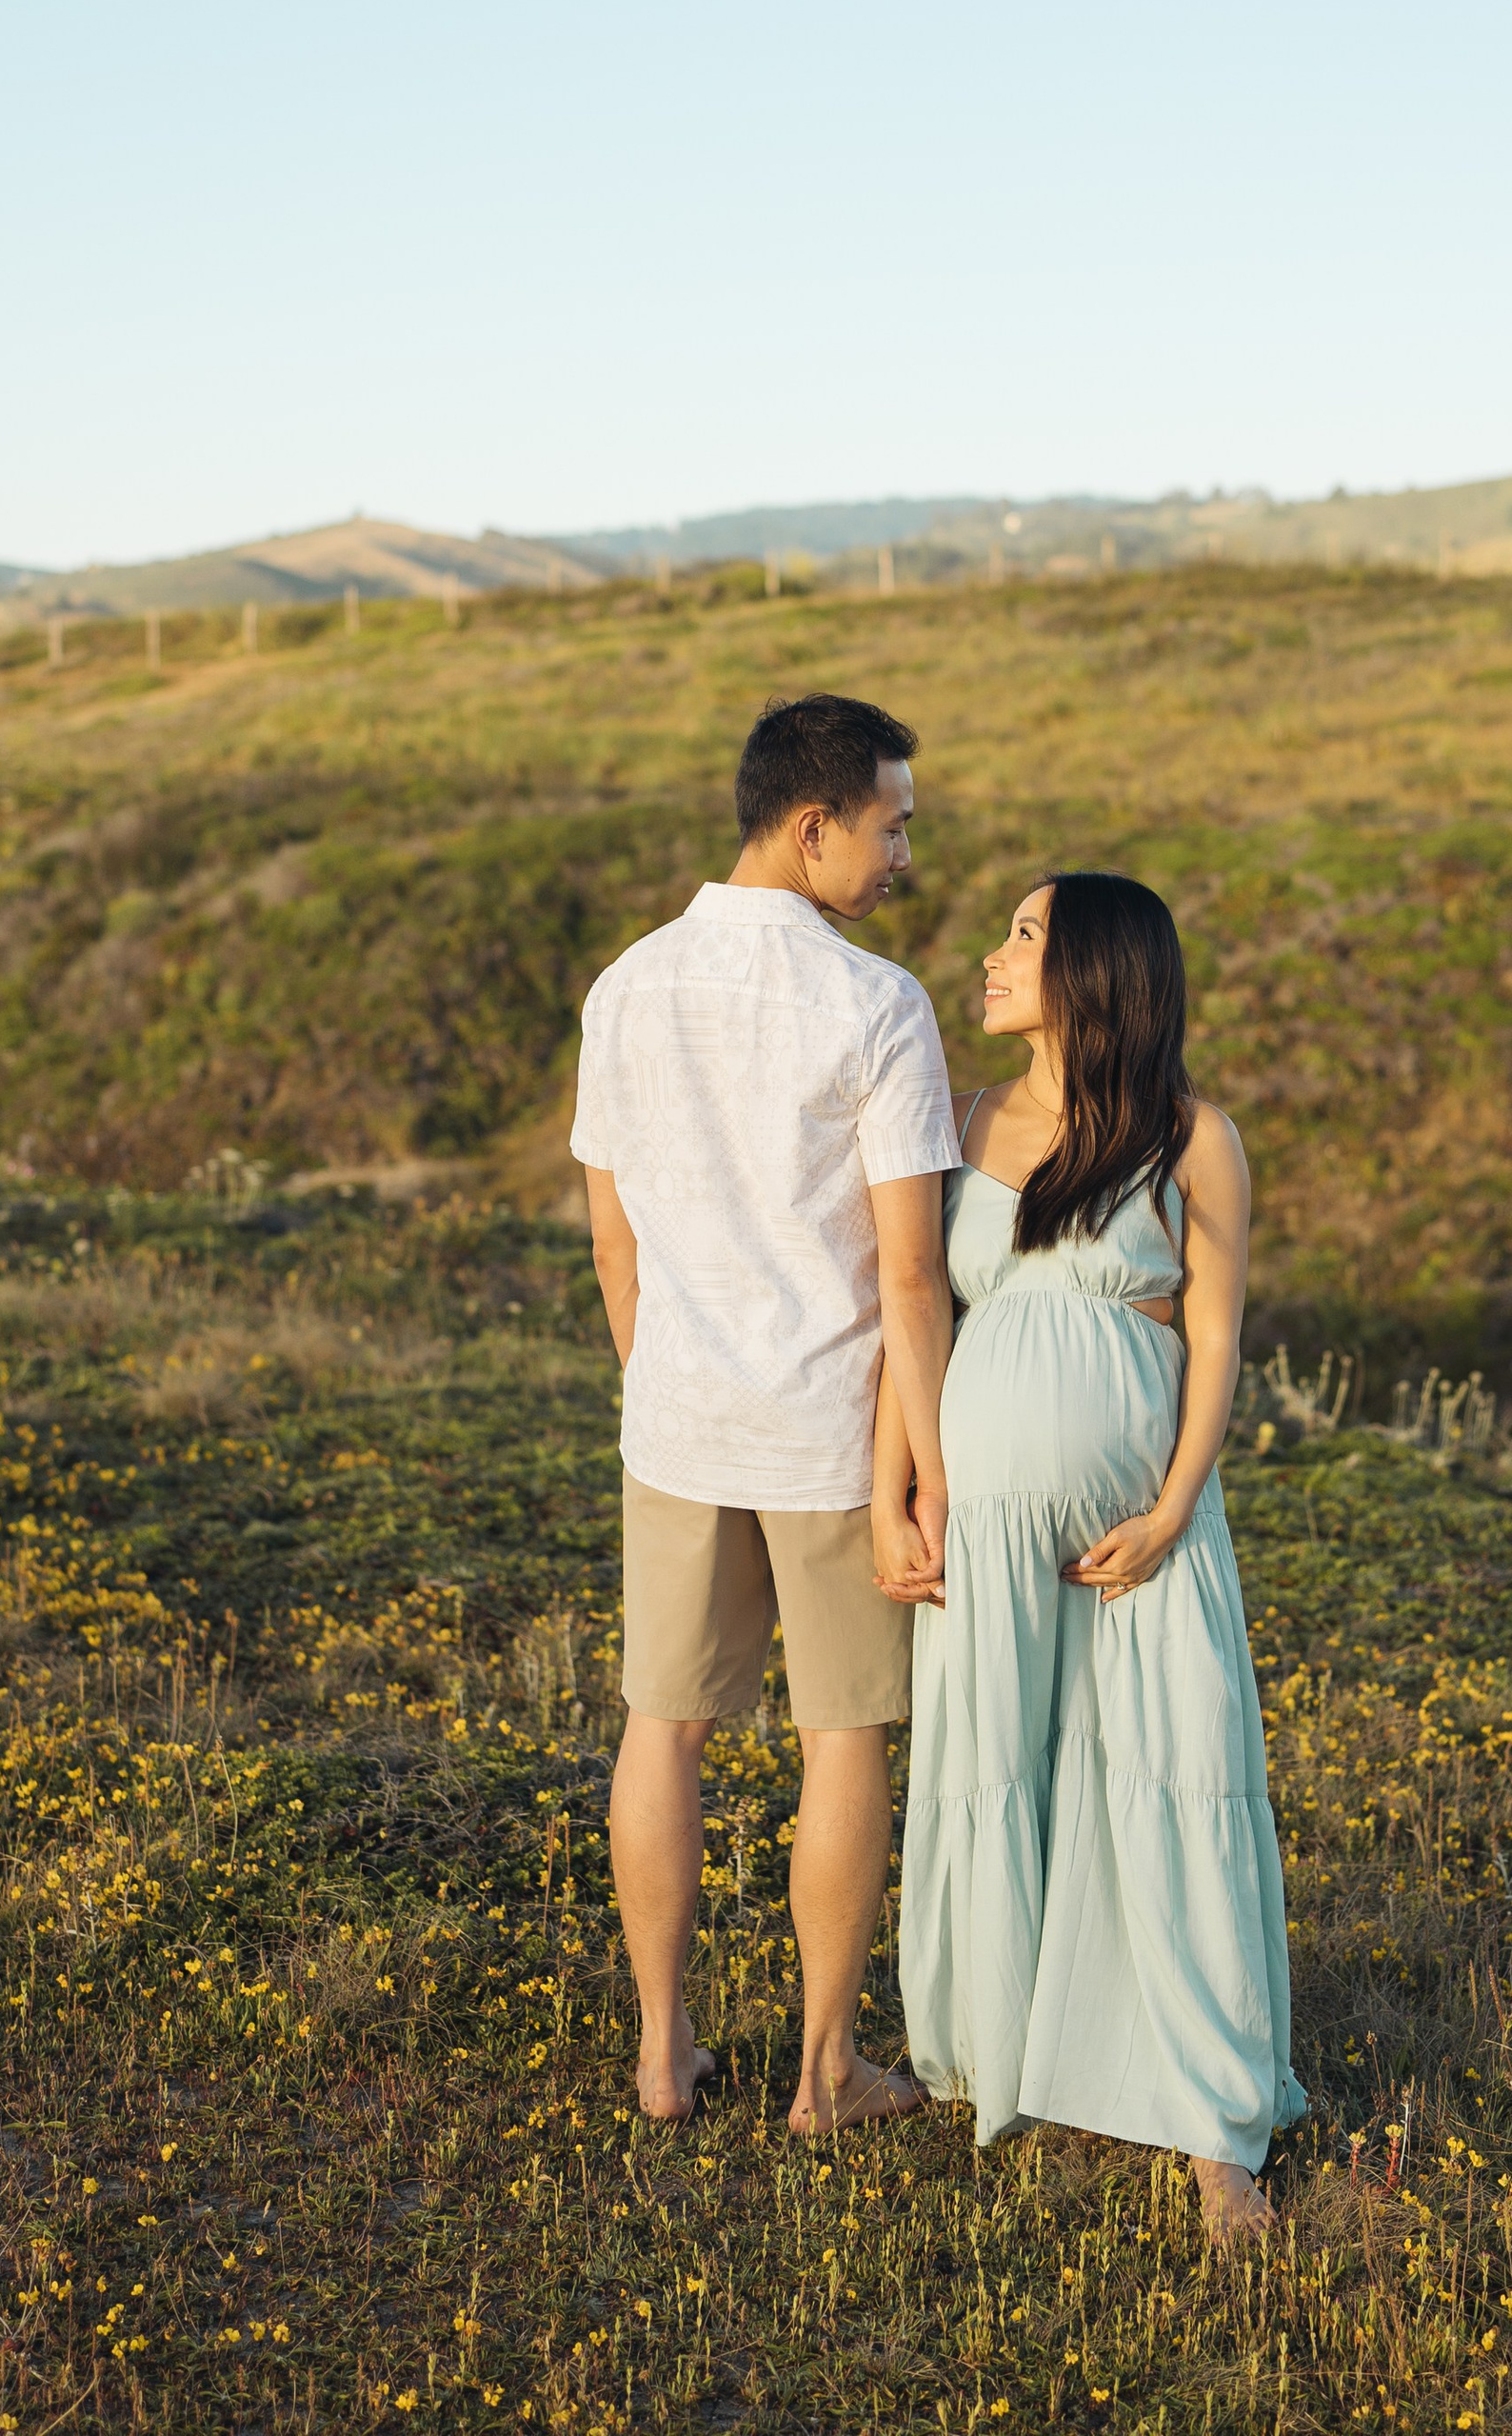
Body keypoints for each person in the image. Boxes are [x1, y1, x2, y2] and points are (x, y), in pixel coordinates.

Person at [877, 871, 1305, 2242]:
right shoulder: (959, 1120)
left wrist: (1179, 1501)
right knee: (1002, 1762)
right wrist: (897, 1488)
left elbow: (1219, 1338)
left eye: (1021, 936)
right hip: (982, 1514)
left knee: (1167, 1772)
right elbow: (917, 1314)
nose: (990, 956)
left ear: (1095, 972)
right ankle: (1010, 2050)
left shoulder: (1194, 1139)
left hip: (1143, 1525)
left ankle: (1208, 2120)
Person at [571, 691, 961, 2130]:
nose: (904, 855)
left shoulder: (625, 985)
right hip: (830, 1433)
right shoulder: (876, 1005)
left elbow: (613, 1247)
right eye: (891, 826)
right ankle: (823, 2074)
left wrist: (667, 1383)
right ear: (814, 828)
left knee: (660, 1727)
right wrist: (922, 1468)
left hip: (677, 1419)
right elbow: (912, 1274)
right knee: (842, 1736)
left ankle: (663, 2052)